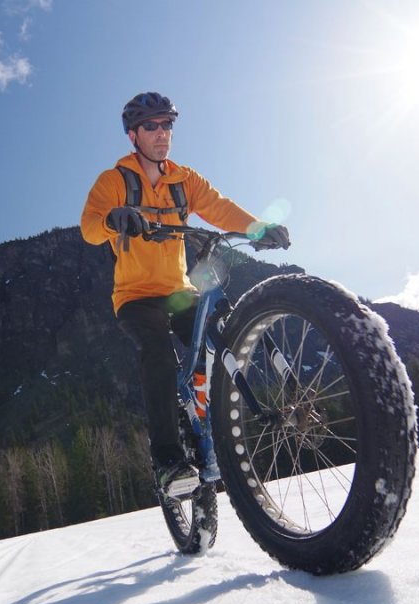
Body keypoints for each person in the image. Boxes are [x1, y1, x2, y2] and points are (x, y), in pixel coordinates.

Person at [81, 91, 290, 497]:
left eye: (167, 125)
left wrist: (258, 228)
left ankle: (214, 426)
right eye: (151, 126)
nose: (161, 134)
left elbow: (219, 207)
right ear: (133, 135)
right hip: (136, 296)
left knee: (221, 335)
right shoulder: (115, 180)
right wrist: (114, 217)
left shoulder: (184, 180)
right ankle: (168, 462)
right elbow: (90, 227)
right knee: (157, 356)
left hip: (178, 290)